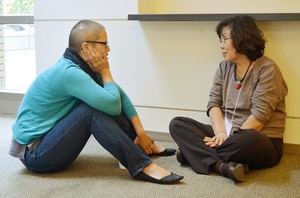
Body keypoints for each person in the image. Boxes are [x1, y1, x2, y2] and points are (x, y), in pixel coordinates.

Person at [9, 20, 183, 184]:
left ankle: (139, 144)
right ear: (86, 47)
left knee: (107, 97)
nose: (108, 49)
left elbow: (120, 97)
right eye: (104, 43)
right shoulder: (69, 73)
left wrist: (141, 133)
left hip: (48, 139)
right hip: (35, 154)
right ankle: (141, 165)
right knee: (91, 110)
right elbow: (113, 106)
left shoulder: (83, 67)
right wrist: (106, 71)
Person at [169, 15, 288, 183]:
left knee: (248, 139)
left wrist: (229, 139)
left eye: (225, 39)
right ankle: (222, 166)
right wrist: (221, 133)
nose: (221, 45)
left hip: (260, 138)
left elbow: (259, 118)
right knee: (178, 124)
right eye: (221, 40)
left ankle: (193, 155)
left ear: (241, 39)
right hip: (225, 134)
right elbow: (214, 103)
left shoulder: (268, 69)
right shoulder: (224, 67)